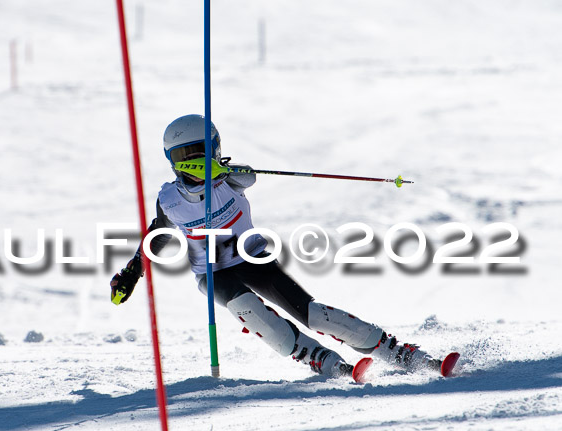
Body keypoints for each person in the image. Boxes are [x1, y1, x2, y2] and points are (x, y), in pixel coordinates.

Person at [110, 114, 450, 379]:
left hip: (251, 256)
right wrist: (131, 272)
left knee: (311, 312)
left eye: (200, 152)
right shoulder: (169, 198)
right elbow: (158, 234)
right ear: (171, 159)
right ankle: (318, 358)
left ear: (213, 149)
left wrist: (219, 172)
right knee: (249, 309)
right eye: (185, 155)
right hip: (211, 272)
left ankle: (398, 351)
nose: (193, 162)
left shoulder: (232, 178)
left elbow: (247, 177)